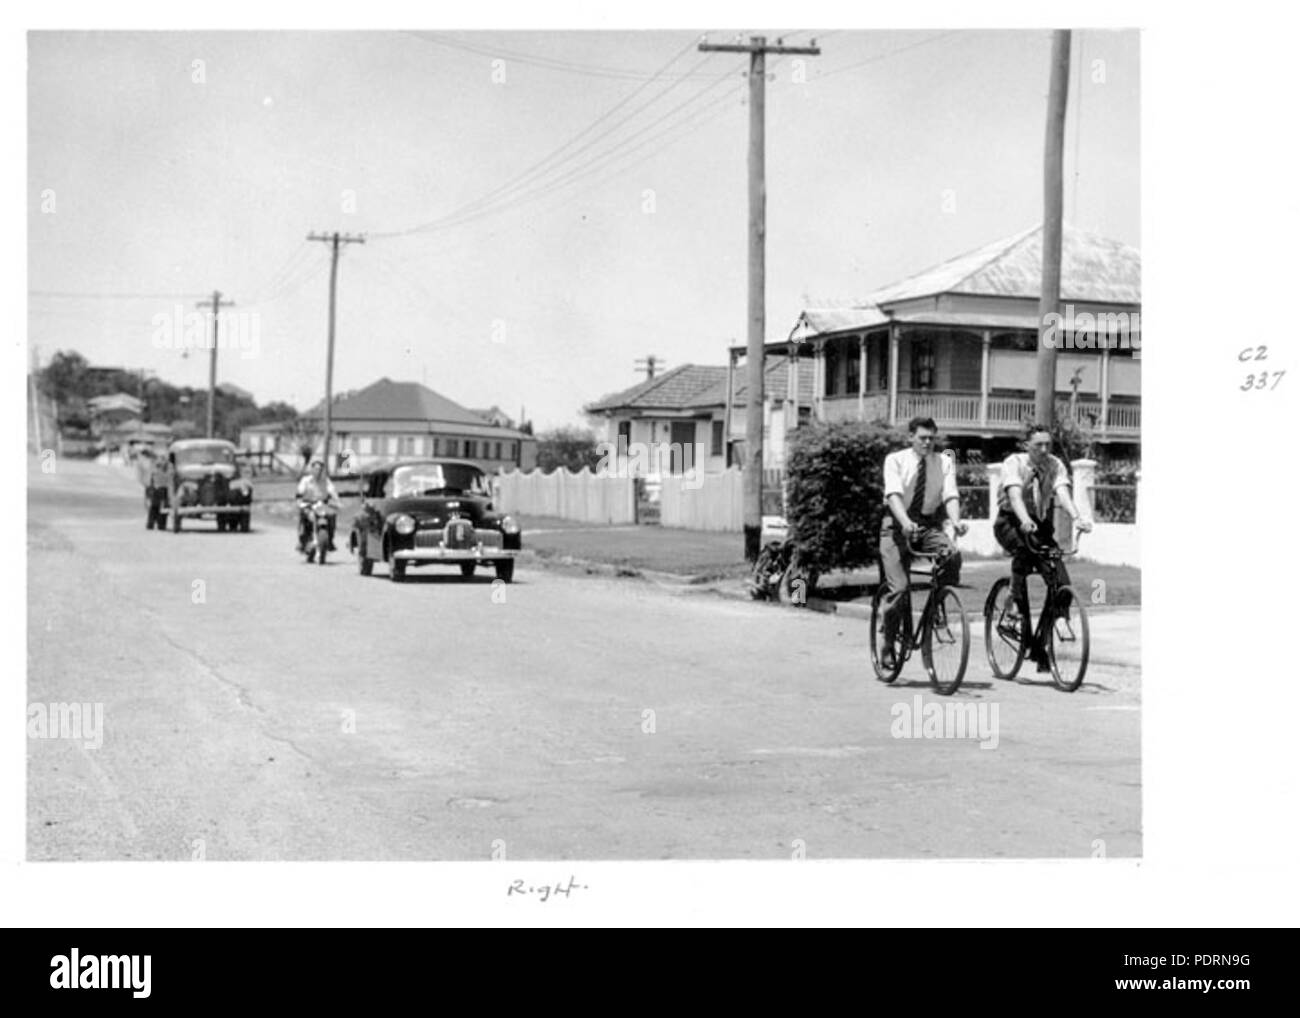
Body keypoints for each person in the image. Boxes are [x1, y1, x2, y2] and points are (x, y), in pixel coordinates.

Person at [994, 423, 1093, 671]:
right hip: (1011, 520)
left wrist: (1076, 517)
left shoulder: (1055, 464)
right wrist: (1024, 520)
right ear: (1027, 445)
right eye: (1038, 444)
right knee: (1024, 550)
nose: (1044, 448)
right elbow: (1015, 496)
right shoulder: (1013, 463)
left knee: (1060, 578)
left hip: (1039, 524)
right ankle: (1013, 601)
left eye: (1048, 444)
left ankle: (1047, 634)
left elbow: (1063, 493)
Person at [878, 417, 968, 668]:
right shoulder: (895, 460)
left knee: (952, 554)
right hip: (896, 526)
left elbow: (950, 495)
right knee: (900, 589)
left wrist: (956, 521)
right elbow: (894, 495)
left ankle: (936, 607)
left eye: (931, 438)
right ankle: (887, 641)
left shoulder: (944, 462)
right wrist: (905, 523)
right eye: (922, 438)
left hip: (926, 524)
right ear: (911, 438)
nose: (927, 443)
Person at [296, 457, 340, 552]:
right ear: (312, 469)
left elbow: (332, 490)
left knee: (332, 516)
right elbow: (300, 491)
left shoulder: (326, 481)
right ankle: (302, 541)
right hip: (308, 504)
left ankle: (330, 540)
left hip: (322, 505)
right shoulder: (306, 480)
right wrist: (300, 498)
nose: (318, 471)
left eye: (320, 469)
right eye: (316, 469)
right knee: (304, 517)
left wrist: (336, 500)